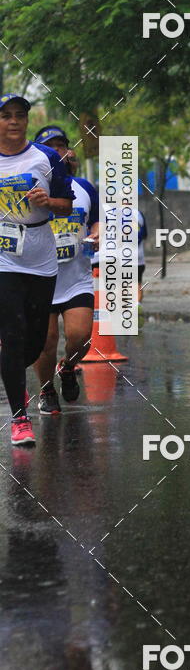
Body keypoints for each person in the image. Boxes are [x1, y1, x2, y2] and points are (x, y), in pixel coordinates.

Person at [0, 96, 73, 445]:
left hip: (41, 252)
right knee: (12, 334)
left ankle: (11, 370)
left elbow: (66, 205)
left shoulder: (47, 158)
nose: (13, 122)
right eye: (5, 116)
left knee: (35, 341)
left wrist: (48, 201)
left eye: (19, 116)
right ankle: (19, 418)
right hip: (3, 255)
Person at [31, 126, 99, 414]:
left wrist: (97, 235)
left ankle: (68, 366)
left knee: (80, 335)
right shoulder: (30, 188)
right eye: (51, 147)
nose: (58, 152)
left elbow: (97, 221)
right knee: (46, 342)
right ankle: (46, 390)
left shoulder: (84, 187)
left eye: (62, 146)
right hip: (40, 277)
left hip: (76, 278)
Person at [137, 209, 148, 303]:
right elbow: (144, 234)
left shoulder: (117, 214)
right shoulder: (139, 213)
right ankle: (138, 306)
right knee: (138, 283)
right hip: (139, 258)